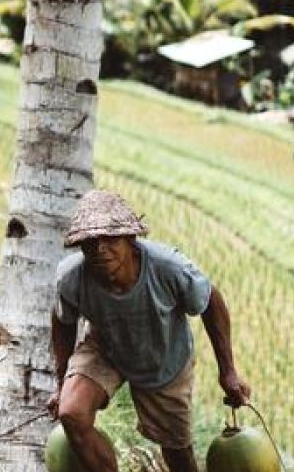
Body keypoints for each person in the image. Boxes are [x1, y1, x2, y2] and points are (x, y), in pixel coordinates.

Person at [45, 190, 251, 472]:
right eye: (89, 243)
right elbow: (63, 320)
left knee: (178, 456)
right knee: (72, 413)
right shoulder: (71, 277)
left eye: (110, 239)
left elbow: (211, 301)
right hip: (106, 347)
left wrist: (228, 371)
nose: (99, 249)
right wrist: (61, 384)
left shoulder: (168, 268)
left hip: (164, 357)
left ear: (130, 239)